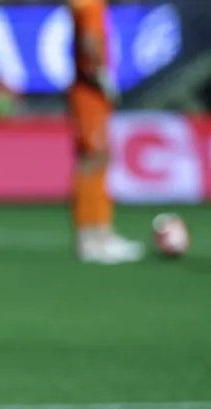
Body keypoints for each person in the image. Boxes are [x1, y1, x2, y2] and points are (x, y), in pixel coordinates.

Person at [67, 0, 143, 263]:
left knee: (97, 158)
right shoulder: (91, 5)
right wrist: (100, 74)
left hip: (86, 88)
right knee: (93, 159)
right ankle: (93, 235)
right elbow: (89, 41)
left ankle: (98, 232)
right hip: (90, 90)